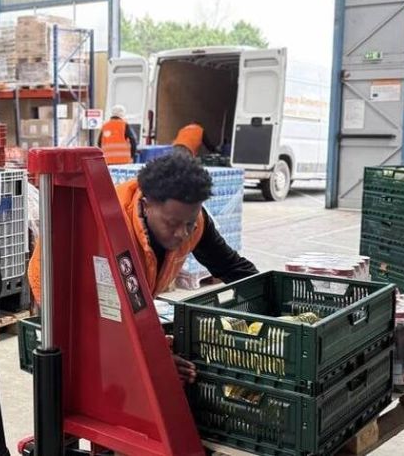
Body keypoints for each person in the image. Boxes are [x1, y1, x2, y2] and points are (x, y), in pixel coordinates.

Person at [26, 151, 257, 382]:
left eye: (189, 223)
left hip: (118, 312)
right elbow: (92, 316)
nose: (183, 233)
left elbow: (231, 267)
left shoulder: (194, 222)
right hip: (63, 301)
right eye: (172, 223)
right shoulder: (108, 231)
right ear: (146, 206)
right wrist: (149, 360)